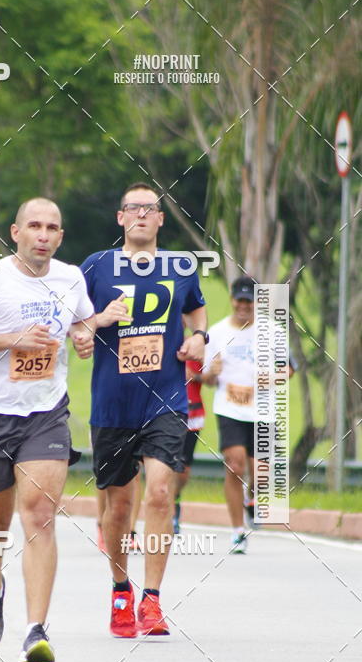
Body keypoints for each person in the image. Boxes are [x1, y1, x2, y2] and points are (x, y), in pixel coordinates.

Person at [0, 198, 95, 662]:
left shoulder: (71, 277)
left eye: (52, 227)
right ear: (16, 232)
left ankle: (36, 631)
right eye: (34, 226)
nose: (43, 235)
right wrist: (12, 339)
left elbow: (83, 317)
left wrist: (84, 334)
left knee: (39, 516)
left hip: (46, 413)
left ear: (60, 237)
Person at [81, 183, 207, 638]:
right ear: (120, 219)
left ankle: (151, 600)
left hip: (165, 399)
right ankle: (120, 590)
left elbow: (197, 313)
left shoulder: (180, 267)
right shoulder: (96, 266)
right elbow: (75, 324)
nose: (140, 215)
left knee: (158, 493)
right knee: (118, 506)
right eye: (132, 208)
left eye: (149, 209)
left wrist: (199, 339)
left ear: (160, 220)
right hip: (113, 404)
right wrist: (99, 321)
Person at [202, 276, 294, 554]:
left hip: (262, 408)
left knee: (260, 471)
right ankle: (237, 531)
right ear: (232, 301)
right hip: (229, 408)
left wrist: (271, 377)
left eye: (250, 301)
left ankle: (252, 497)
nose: (244, 306)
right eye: (240, 300)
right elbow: (205, 378)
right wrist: (211, 373)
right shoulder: (216, 332)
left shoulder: (273, 331)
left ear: (257, 303)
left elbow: (289, 369)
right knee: (235, 464)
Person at [173, 359, 205, 534]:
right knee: (167, 463)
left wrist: (195, 376)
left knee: (183, 469)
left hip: (192, 413)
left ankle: (174, 497)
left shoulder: (196, 347)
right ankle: (169, 509)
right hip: (165, 414)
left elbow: (212, 379)